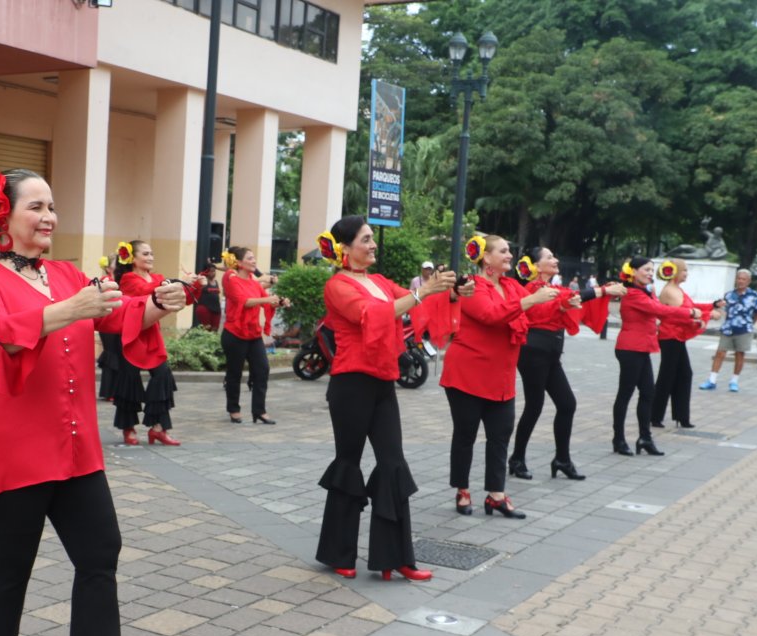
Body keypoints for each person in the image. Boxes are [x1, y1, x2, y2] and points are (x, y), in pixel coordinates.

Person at [0, 169, 189, 636]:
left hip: (74, 447)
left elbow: (116, 314)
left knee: (101, 552)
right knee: (9, 574)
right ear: (4, 216)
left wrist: (157, 302)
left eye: (51, 207)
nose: (49, 217)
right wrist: (69, 309)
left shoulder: (65, 274)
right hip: (13, 452)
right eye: (36, 207)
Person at [314, 217, 454, 581]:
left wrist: (449, 291)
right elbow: (372, 315)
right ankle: (338, 552)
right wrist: (423, 292)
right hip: (351, 384)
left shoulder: (378, 281)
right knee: (349, 463)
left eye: (372, 238)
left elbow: (411, 302)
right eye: (366, 239)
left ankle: (396, 557)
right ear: (345, 248)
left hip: (382, 382)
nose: (373, 244)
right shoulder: (337, 286)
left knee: (393, 463)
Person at [442, 235, 559, 519]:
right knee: (466, 435)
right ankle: (462, 489)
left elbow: (538, 308)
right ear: (486, 257)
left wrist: (576, 300)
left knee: (500, 435)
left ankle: (496, 495)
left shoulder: (510, 286)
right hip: (468, 373)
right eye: (504, 251)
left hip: (501, 376)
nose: (510, 255)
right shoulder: (471, 286)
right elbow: (491, 315)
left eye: (509, 251)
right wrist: (530, 300)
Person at [509, 248, 625, 481]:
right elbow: (554, 303)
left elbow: (573, 296)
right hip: (533, 353)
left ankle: (562, 459)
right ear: (535, 266)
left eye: (554, 256)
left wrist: (603, 290)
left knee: (567, 404)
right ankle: (517, 458)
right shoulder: (531, 289)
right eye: (549, 257)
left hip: (551, 354)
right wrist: (602, 291)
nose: (555, 260)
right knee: (534, 406)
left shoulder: (552, 288)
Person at [112, 239, 201, 446]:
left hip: (152, 335)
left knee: (162, 376)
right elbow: (147, 291)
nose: (150, 257)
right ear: (132, 258)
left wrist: (195, 285)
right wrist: (176, 282)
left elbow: (183, 300)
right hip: (131, 334)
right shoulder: (128, 279)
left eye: (151, 253)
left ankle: (159, 428)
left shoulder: (158, 278)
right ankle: (128, 428)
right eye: (145, 254)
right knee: (129, 379)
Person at [612, 257, 702, 457]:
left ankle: (645, 438)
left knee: (648, 393)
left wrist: (699, 313)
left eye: (652, 270)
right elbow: (659, 309)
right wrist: (689, 313)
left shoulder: (647, 291)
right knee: (625, 394)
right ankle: (618, 439)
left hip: (642, 348)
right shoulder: (633, 293)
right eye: (646, 269)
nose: (650, 273)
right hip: (630, 348)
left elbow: (662, 312)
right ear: (633, 272)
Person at [221, 246, 286, 424]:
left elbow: (265, 299)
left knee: (262, 370)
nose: (254, 261)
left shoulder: (252, 281)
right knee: (234, 373)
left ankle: (259, 411)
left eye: (253, 257)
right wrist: (267, 299)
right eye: (249, 258)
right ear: (239, 262)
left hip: (253, 333)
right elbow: (245, 301)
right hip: (235, 333)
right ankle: (233, 409)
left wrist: (279, 302)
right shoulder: (231, 279)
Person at [652, 260, 720, 428]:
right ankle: (656, 416)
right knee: (668, 376)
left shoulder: (677, 289)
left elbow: (692, 307)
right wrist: (706, 316)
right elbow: (679, 314)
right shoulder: (670, 291)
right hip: (670, 336)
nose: (686, 274)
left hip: (677, 337)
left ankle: (680, 416)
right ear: (675, 272)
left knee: (683, 374)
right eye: (684, 270)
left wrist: (712, 306)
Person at [701, 269, 757, 392]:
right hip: (728, 328)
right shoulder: (729, 295)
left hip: (744, 329)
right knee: (720, 353)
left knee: (740, 354)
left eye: (743, 279)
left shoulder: (755, 296)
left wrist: (749, 324)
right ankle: (712, 380)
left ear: (749, 281)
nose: (740, 281)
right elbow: (724, 310)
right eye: (739, 278)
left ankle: (734, 381)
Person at [96, 255, 123, 400]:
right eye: (115, 263)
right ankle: (109, 392)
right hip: (107, 321)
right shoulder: (105, 280)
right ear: (108, 268)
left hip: (117, 320)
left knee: (115, 353)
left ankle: (112, 391)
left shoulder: (118, 280)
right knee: (111, 353)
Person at [195, 261, 223, 331]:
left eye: (214, 271)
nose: (213, 273)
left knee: (215, 330)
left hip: (216, 309)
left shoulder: (216, 282)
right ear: (206, 271)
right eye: (211, 271)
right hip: (205, 308)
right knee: (207, 329)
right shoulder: (203, 281)